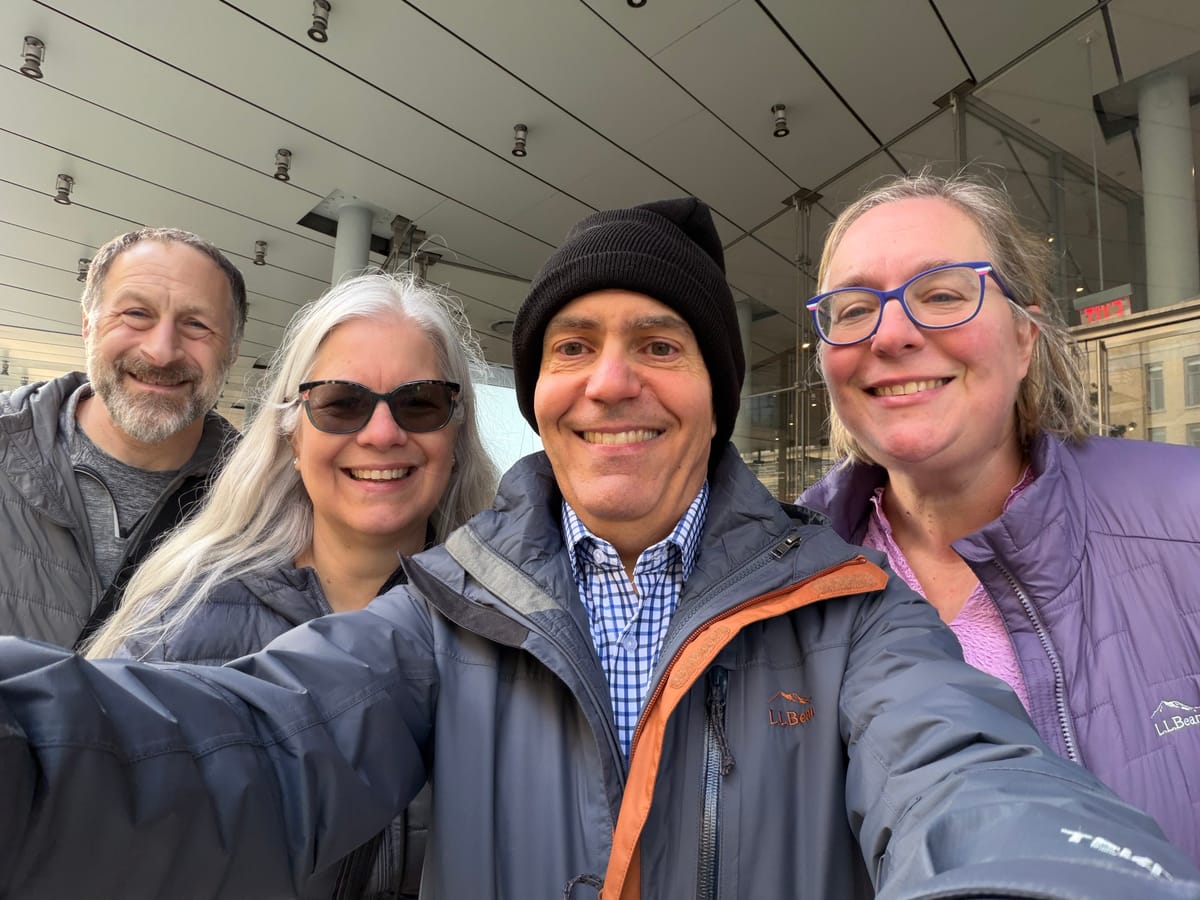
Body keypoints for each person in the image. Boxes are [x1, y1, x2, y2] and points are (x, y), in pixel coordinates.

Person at [2, 199, 1200, 900]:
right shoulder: (446, 612)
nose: (610, 379)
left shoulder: (849, 608)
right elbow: (252, 747)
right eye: (572, 346)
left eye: (658, 344)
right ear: (538, 393)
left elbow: (973, 790)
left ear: (717, 395)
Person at [797, 172, 1200, 861]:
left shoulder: (1185, 520)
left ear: (1023, 338)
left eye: (944, 294)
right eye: (855, 308)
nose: (891, 333)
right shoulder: (780, 574)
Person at [84, 272, 498, 898]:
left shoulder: (508, 633)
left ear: (455, 432)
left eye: (419, 402)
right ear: (291, 432)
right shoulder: (178, 620)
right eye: (340, 402)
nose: (383, 433)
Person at [0, 227, 246, 648]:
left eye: (197, 324)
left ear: (233, 350)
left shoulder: (266, 504)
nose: (162, 351)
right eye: (136, 314)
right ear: (87, 325)